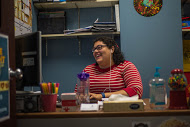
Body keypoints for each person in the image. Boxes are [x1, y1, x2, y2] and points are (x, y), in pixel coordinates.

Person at [75, 36, 143, 100]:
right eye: (94, 49)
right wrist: (80, 96)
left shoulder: (126, 66)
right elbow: (77, 93)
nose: (95, 51)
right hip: (92, 110)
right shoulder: (87, 70)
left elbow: (136, 90)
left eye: (99, 47)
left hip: (118, 109)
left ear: (112, 49)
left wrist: (102, 96)